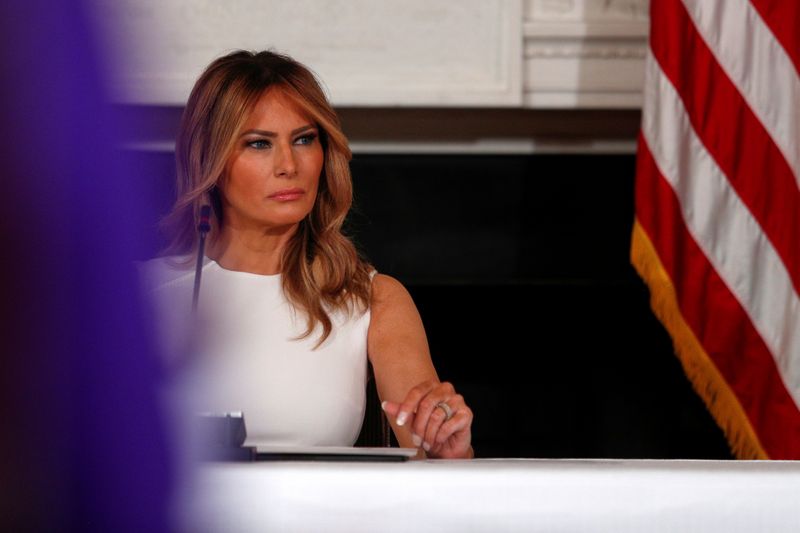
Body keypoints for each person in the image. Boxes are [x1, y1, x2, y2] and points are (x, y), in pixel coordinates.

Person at [142, 49, 473, 459]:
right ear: (209, 159)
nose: (288, 165)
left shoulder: (372, 297)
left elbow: (431, 455)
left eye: (303, 139)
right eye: (259, 143)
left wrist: (445, 447)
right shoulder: (140, 293)